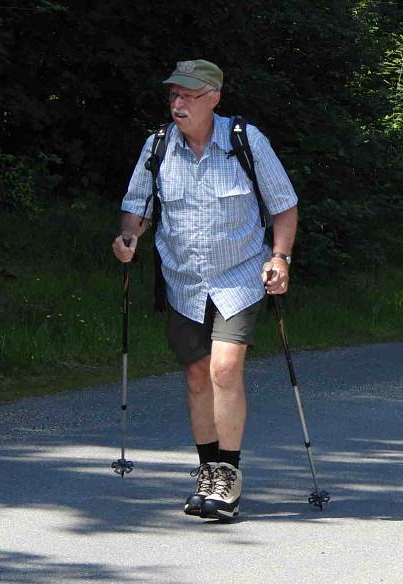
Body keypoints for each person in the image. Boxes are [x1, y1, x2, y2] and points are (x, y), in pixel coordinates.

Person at [112, 59, 298, 521]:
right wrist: (128, 238)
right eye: (174, 94)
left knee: (224, 368)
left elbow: (284, 206)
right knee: (196, 376)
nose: (179, 103)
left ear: (214, 97)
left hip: (238, 276)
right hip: (182, 281)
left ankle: (229, 475)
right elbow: (138, 208)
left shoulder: (244, 142)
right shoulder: (157, 147)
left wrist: (280, 257)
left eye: (189, 95)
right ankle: (208, 471)